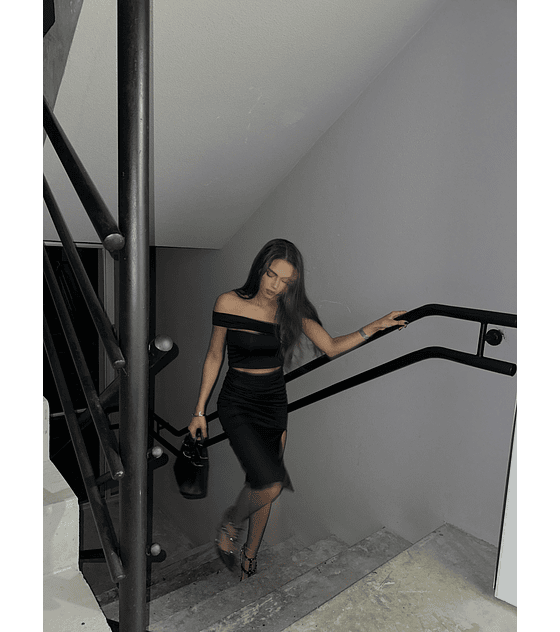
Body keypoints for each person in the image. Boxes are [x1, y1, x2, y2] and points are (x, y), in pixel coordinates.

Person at [187, 238, 407, 581]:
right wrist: (199, 411)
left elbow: (330, 347)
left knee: (260, 483)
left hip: (273, 400)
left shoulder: (292, 311)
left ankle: (249, 556)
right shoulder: (228, 302)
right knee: (269, 484)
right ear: (260, 269)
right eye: (271, 275)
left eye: (285, 281)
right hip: (237, 400)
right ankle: (231, 523)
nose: (275, 286)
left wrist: (375, 325)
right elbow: (215, 355)